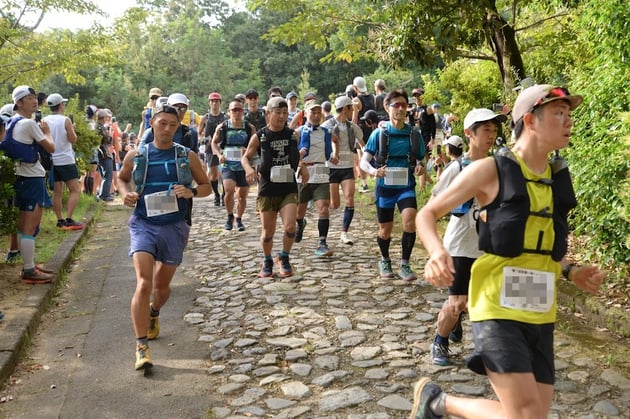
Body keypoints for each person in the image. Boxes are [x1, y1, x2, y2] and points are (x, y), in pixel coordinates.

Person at [412, 85, 606, 419]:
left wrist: (571, 270)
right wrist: (436, 252)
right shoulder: (492, 170)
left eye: (569, 114)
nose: (568, 121)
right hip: (496, 302)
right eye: (559, 114)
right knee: (523, 416)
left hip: (539, 306)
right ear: (530, 120)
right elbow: (426, 213)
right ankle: (438, 403)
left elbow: (537, 241)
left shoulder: (555, 177)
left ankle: (436, 403)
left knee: (535, 414)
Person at [118, 103, 210, 371]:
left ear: (178, 127)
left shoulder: (187, 156)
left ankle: (154, 313)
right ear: (152, 124)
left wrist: (191, 192)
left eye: (173, 125)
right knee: (143, 284)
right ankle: (141, 346)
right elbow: (122, 179)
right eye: (162, 123)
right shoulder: (138, 155)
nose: (167, 129)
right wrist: (125, 193)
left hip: (174, 226)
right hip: (143, 224)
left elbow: (206, 187)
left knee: (160, 289)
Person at [427, 109, 507, 368]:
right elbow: (434, 203)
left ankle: (488, 350)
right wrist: (435, 249)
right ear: (469, 134)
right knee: (458, 302)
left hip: (488, 247)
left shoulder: (498, 166)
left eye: (494, 131)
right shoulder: (457, 167)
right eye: (486, 131)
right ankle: (440, 340)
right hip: (460, 245)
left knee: (489, 303)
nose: (491, 136)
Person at [359, 89, 425, 281]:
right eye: (396, 105)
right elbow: (364, 162)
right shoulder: (379, 134)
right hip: (385, 187)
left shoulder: (414, 134)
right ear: (387, 108)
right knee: (385, 230)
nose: (400, 109)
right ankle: (385, 259)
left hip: (406, 186)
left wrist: (420, 167)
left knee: (409, 222)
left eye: (404, 105)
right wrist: (373, 171)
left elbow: (421, 159)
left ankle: (405, 264)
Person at [241, 97, 309, 278]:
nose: (281, 116)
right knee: (268, 232)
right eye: (277, 113)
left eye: (285, 113)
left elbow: (296, 156)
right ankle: (267, 259)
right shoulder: (260, 136)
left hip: (288, 187)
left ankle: (284, 257)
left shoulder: (292, 134)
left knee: (290, 227)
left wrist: (302, 168)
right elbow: (245, 157)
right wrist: (248, 169)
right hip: (267, 189)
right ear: (268, 114)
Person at [7, 86, 56, 283]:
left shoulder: (12, 122)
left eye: (35, 97)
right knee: (30, 224)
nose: (34, 101)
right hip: (32, 177)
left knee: (23, 225)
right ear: (18, 102)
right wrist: (47, 131)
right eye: (28, 98)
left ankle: (29, 264)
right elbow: (51, 147)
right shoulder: (28, 123)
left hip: (20, 176)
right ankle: (28, 270)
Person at [294, 101, 339, 257]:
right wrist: (298, 159)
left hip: (321, 172)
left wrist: (334, 155)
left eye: (318, 112)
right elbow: (291, 152)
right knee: (299, 212)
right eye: (312, 112)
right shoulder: (299, 132)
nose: (316, 115)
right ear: (305, 114)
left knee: (324, 208)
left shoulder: (326, 132)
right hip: (303, 173)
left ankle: (322, 242)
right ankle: (300, 223)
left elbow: (336, 141)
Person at [322, 96, 364, 245]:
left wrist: (365, 159)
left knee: (350, 198)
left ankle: (344, 232)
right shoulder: (327, 125)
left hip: (347, 167)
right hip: (332, 168)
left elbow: (362, 143)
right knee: (334, 204)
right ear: (345, 109)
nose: (352, 111)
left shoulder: (352, 127)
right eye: (351, 108)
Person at [211, 99, 255, 231]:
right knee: (229, 190)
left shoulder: (249, 127)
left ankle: (239, 218)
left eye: (239, 110)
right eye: (234, 110)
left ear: (243, 111)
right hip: (228, 164)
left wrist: (247, 151)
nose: (237, 112)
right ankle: (230, 216)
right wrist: (219, 155)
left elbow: (255, 144)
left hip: (244, 165)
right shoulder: (223, 127)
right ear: (229, 111)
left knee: (242, 195)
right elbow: (213, 143)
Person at [43, 93, 83, 230]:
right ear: (60, 105)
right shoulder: (65, 120)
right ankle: (69, 218)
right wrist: (73, 129)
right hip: (65, 159)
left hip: (52, 160)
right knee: (75, 189)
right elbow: (73, 139)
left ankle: (59, 220)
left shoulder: (44, 120)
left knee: (57, 192)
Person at [198, 92, 228, 206]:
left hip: (224, 147)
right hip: (210, 148)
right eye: (212, 101)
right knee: (213, 174)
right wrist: (204, 139)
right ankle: (216, 194)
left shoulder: (225, 117)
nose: (214, 103)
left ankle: (225, 194)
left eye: (217, 101)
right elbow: (199, 133)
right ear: (209, 103)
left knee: (225, 171)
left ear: (220, 103)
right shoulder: (205, 118)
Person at [95, 109, 114, 201]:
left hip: (100, 152)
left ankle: (104, 194)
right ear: (103, 118)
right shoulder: (100, 128)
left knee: (105, 174)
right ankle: (104, 195)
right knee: (108, 174)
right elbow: (108, 140)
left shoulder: (97, 127)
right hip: (104, 153)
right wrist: (110, 134)